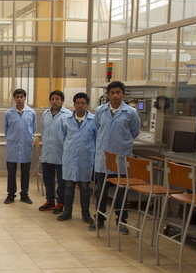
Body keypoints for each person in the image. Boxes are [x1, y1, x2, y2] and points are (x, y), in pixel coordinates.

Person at [91, 81, 141, 232]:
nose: (115, 95)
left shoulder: (131, 112)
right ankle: (99, 219)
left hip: (121, 159)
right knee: (101, 192)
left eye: (118, 92)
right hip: (103, 158)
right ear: (108, 94)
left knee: (121, 194)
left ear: (123, 94)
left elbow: (134, 131)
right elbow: (98, 128)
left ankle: (122, 222)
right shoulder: (100, 110)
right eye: (112, 93)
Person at [57, 92, 96, 224]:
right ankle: (67, 213)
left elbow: (96, 139)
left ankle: (86, 214)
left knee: (85, 188)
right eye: (77, 103)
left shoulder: (93, 120)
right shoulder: (66, 120)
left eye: (83, 103)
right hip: (70, 158)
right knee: (68, 187)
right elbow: (62, 137)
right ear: (74, 105)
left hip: (85, 159)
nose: (80, 106)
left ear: (87, 105)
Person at [39, 90, 72, 213]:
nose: (54, 101)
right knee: (48, 180)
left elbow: (70, 134)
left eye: (57, 99)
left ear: (62, 101)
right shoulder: (45, 114)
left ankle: (61, 203)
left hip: (61, 153)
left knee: (61, 182)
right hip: (47, 152)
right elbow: (44, 131)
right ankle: (50, 201)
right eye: (52, 99)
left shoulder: (68, 115)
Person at [4, 89, 36, 205]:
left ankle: (24, 194)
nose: (19, 99)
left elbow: (33, 129)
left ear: (25, 98)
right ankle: (10, 195)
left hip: (26, 147)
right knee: (11, 173)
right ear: (14, 98)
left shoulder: (31, 113)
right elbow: (6, 130)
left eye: (21, 97)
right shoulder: (8, 113)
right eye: (17, 97)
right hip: (12, 147)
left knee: (25, 172)